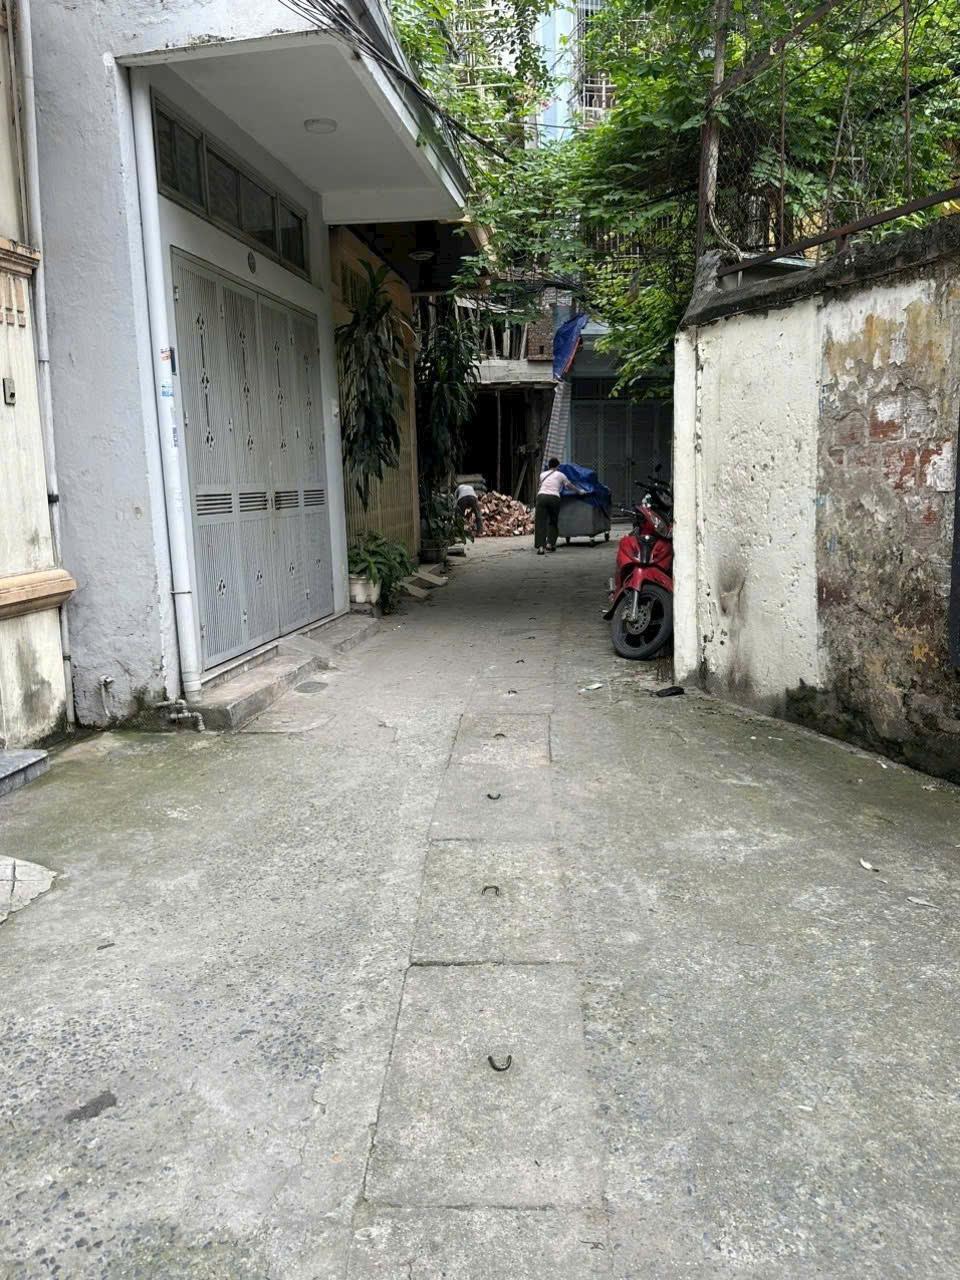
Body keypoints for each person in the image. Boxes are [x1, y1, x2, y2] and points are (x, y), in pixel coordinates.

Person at [535, 458, 583, 554]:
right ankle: (550, 544)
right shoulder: (561, 475)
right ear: (558, 466)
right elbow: (569, 485)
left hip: (541, 497)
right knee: (553, 521)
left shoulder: (542, 475)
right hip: (554, 498)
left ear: (548, 466)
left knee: (540, 522)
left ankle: (541, 547)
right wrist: (579, 491)